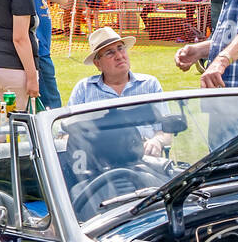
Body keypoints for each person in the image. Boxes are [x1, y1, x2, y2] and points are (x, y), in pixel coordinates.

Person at [68, 28, 167, 160]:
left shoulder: (149, 85)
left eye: (121, 48)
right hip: (99, 163)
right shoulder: (84, 89)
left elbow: (165, 132)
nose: (119, 56)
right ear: (98, 64)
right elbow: (66, 134)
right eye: (110, 53)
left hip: (146, 160)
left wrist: (157, 142)